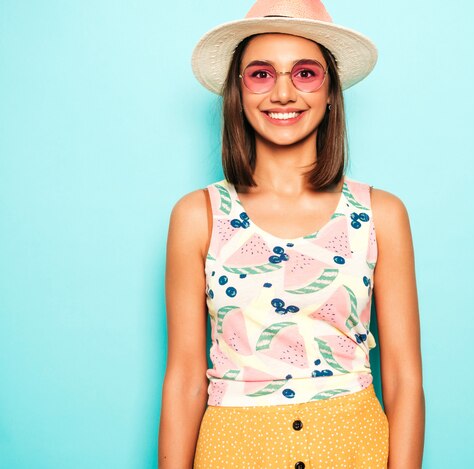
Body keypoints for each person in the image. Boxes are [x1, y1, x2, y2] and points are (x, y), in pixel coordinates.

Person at [158, 1, 425, 468]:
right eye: (261, 74)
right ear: (237, 92)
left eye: (305, 73)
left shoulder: (381, 213)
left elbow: (403, 377)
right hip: (233, 451)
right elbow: (183, 378)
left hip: (352, 448)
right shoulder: (196, 216)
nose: (283, 93)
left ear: (330, 91)